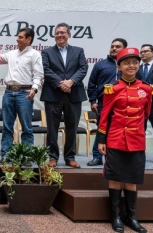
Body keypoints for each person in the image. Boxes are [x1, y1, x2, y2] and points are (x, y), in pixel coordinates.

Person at [98, 48, 152, 233]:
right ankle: (116, 217)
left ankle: (132, 217)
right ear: (119, 66)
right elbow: (104, 115)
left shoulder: (146, 89)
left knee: (132, 178)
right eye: (127, 63)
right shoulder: (112, 89)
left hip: (136, 139)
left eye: (135, 62)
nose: (131, 65)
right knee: (114, 177)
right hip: (115, 138)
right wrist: (101, 139)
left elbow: (146, 114)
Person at [40, 22, 88, 169]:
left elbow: (83, 68)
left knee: (72, 127)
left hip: (73, 94)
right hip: (53, 94)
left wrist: (71, 82)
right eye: (57, 33)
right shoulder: (46, 52)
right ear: (54, 35)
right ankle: (53, 157)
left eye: (63, 32)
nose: (60, 35)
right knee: (52, 128)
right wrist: (62, 83)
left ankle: (70, 157)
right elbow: (46, 70)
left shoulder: (78, 51)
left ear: (69, 34)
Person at [0, 28, 44, 159]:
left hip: (25, 93)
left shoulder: (35, 54)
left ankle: (26, 158)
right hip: (8, 92)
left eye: (21, 37)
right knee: (7, 126)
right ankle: (5, 156)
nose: (17, 39)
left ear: (29, 39)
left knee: (26, 128)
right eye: (17, 37)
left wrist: (34, 89)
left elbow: (38, 75)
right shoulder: (11, 53)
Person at [86, 38, 127, 166]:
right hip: (104, 103)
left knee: (120, 130)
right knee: (101, 129)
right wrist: (93, 101)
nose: (114, 48)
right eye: (112, 46)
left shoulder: (128, 65)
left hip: (124, 104)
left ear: (124, 49)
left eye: (118, 46)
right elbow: (91, 84)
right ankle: (97, 157)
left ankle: (116, 157)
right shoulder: (100, 65)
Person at [138, 44, 153, 147]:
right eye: (141, 52)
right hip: (139, 105)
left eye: (146, 51)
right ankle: (138, 155)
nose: (143, 54)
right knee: (139, 132)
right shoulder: (136, 68)